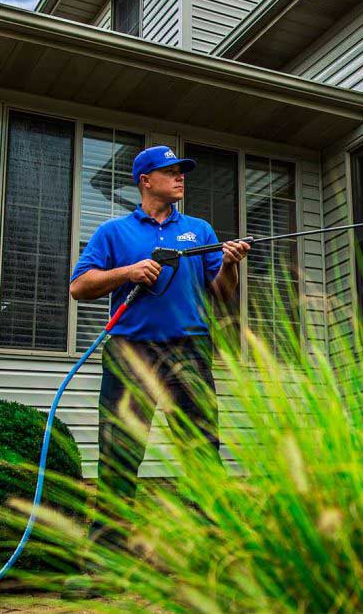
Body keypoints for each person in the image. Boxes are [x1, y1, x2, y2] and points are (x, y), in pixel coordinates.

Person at [67, 145, 250, 557]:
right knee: (119, 453)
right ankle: (106, 560)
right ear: (146, 180)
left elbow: (220, 294)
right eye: (171, 171)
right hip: (131, 352)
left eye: (182, 171)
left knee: (202, 450)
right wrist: (128, 272)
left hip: (190, 350)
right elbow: (79, 287)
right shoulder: (113, 232)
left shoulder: (200, 230)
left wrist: (231, 263)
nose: (180, 177)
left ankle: (217, 555)